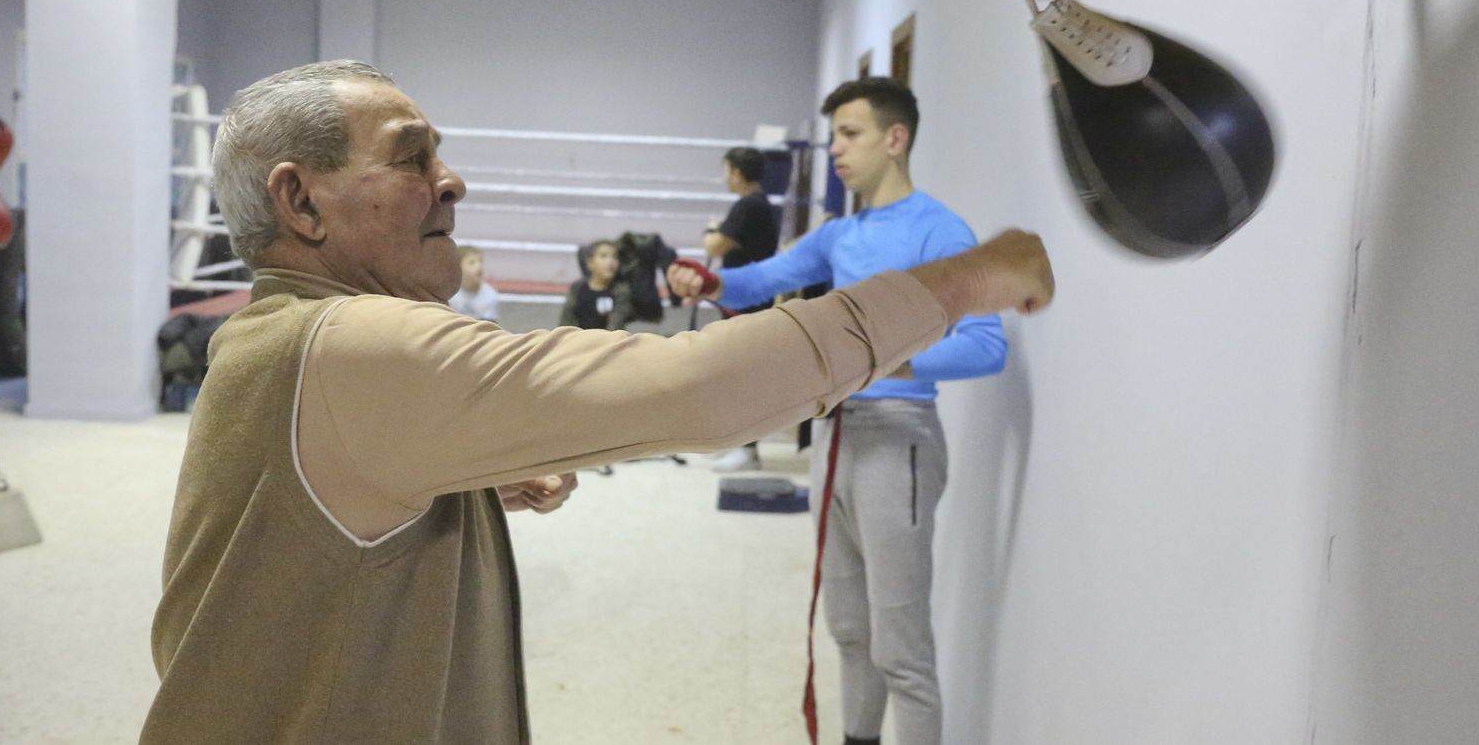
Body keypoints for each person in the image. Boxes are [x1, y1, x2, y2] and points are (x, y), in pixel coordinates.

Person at [142, 61, 1054, 745]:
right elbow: (704, 390)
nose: (451, 181)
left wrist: (455, 474)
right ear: (300, 201)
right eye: (411, 159)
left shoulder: (272, 338)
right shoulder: (356, 347)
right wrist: (964, 280)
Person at [669, 77, 1006, 745]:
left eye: (849, 134)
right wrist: (708, 282)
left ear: (895, 138)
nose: (836, 150)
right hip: (836, 436)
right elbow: (761, 279)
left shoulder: (939, 230)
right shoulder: (841, 233)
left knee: (900, 647)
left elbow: (986, 345)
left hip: (898, 441)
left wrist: (889, 359)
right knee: (850, 631)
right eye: (833, 137)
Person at [703, 145, 781, 471]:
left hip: (748, 302)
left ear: (736, 171)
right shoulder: (756, 205)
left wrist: (710, 229)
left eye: (727, 171)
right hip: (744, 299)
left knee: (743, 376)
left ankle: (747, 450)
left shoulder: (749, 206)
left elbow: (714, 245)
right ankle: (740, 443)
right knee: (735, 373)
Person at [558, 239, 632, 330]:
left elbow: (615, 326)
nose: (610, 262)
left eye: (615, 257)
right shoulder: (578, 287)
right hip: (578, 339)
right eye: (603, 256)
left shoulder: (621, 291)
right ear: (590, 263)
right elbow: (566, 321)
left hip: (609, 341)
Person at [448, 244, 501, 321]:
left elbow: (489, 326)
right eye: (472, 263)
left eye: (480, 262)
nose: (479, 266)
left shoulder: (490, 295)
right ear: (457, 267)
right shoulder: (449, 294)